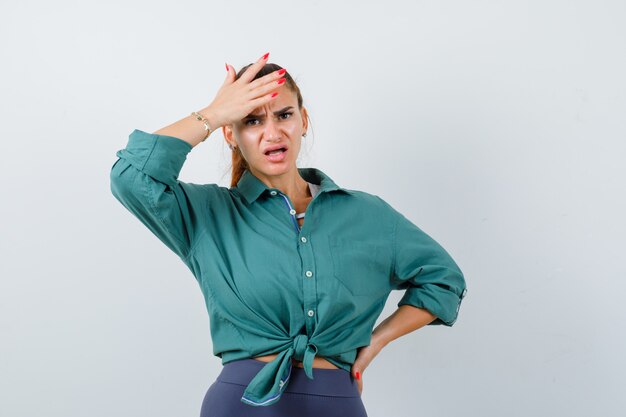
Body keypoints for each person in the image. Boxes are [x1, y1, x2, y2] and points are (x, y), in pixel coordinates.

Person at [109, 51, 468, 417]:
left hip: (337, 403)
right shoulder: (207, 215)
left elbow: (443, 280)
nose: (273, 132)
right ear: (230, 135)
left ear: (304, 120)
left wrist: (376, 342)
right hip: (241, 404)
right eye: (251, 120)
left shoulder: (367, 214)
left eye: (284, 115)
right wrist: (214, 113)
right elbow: (131, 177)